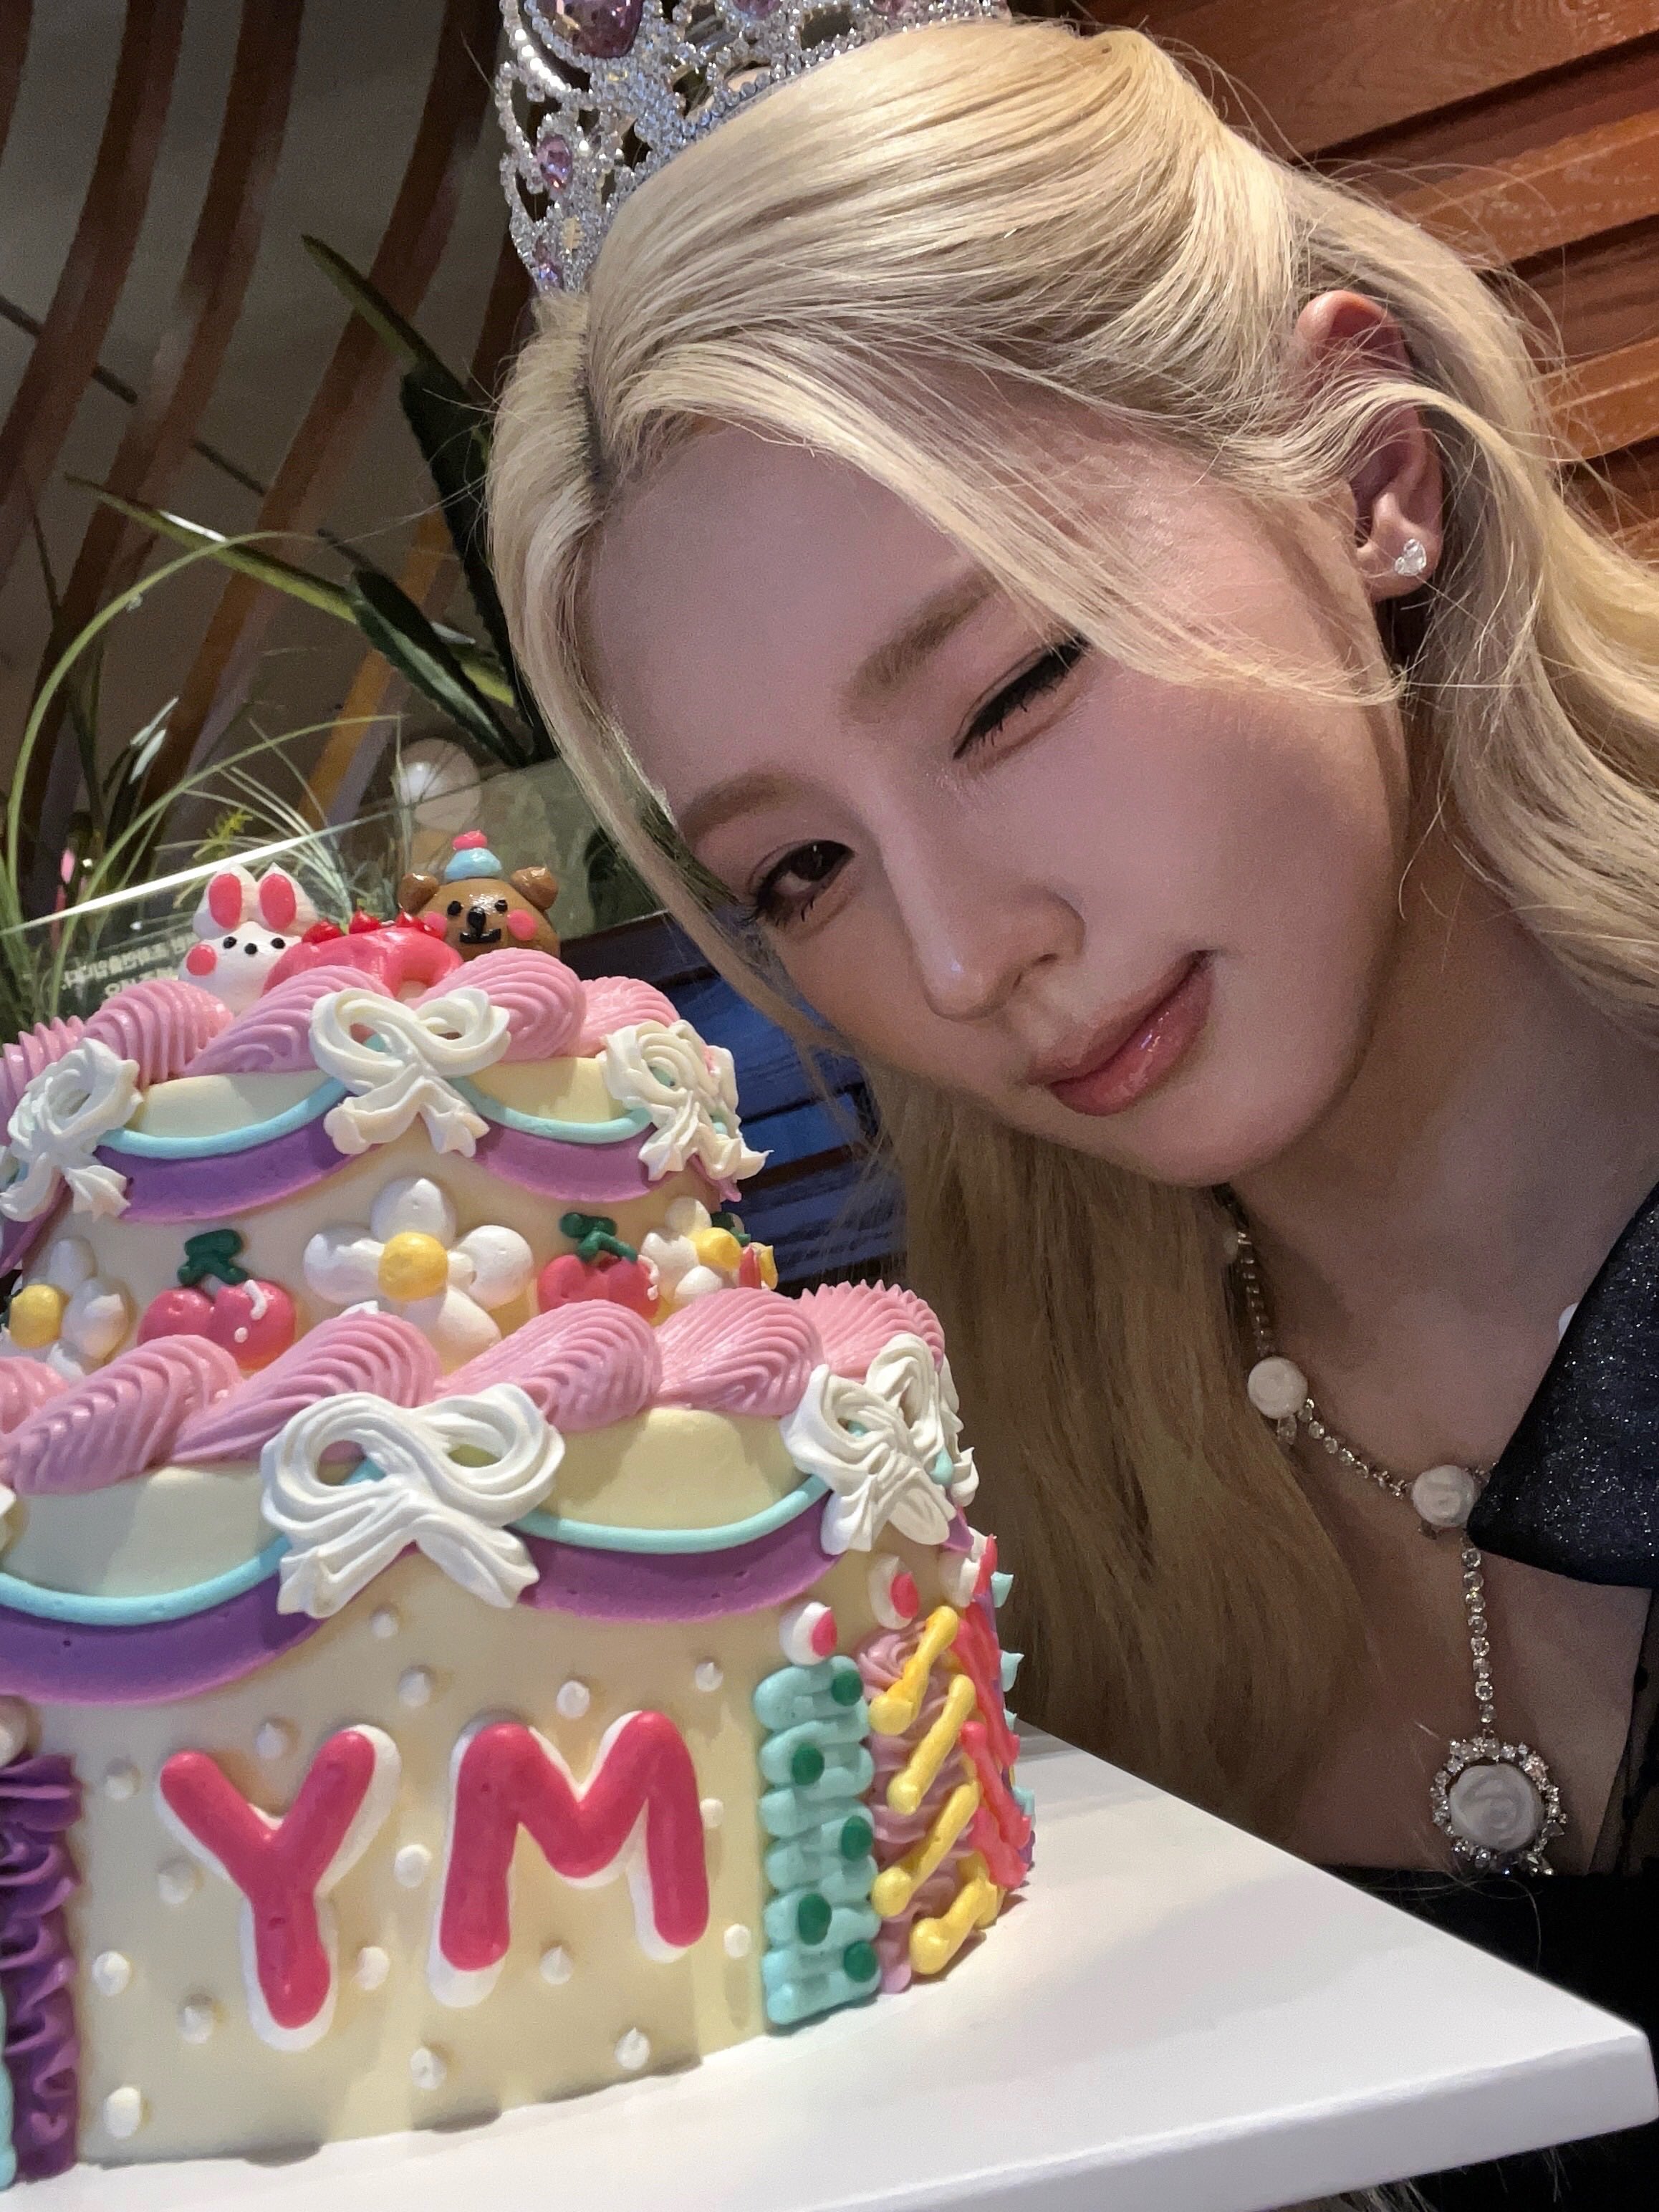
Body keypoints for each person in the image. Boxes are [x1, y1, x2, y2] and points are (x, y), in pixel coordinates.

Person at [486, 12, 1659, 2201]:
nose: (957, 958)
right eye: (798, 871)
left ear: (1363, 468)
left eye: (1012, 686)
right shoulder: (950, 1533)